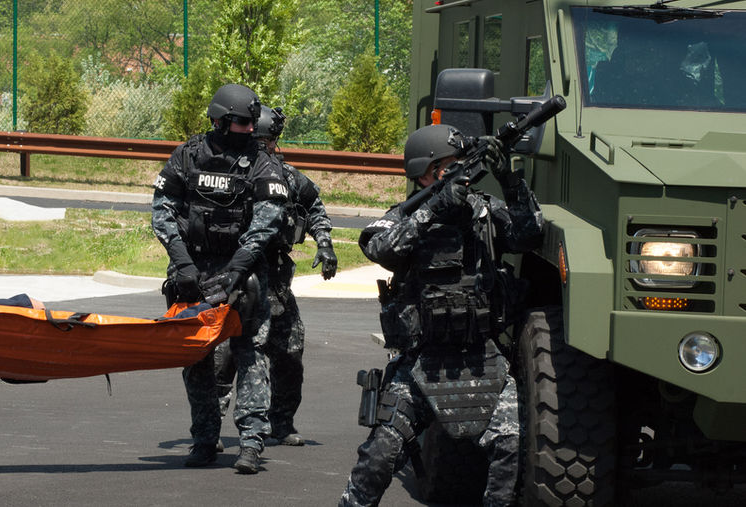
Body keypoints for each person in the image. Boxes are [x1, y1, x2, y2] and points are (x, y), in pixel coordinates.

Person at [339, 124, 544, 506]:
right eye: (450, 166)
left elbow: (528, 234)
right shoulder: (407, 215)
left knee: (508, 449)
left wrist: (508, 180)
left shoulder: (482, 210)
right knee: (380, 455)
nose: (460, 171)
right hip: (422, 363)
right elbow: (379, 246)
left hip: (482, 358)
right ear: (426, 173)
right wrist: (434, 208)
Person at [151, 83, 289, 474]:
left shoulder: (263, 164)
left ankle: (250, 443)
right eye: (242, 122)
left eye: (251, 123)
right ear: (220, 119)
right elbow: (162, 210)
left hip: (243, 274)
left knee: (251, 354)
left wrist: (237, 269)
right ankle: (204, 440)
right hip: (193, 269)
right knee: (196, 359)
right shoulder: (188, 155)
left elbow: (267, 221)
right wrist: (183, 264)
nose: (249, 129)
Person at [213, 105, 337, 447]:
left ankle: (282, 423)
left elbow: (314, 207)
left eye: (271, 142)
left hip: (277, 284)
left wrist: (324, 244)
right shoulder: (232, 175)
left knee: (290, 352)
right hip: (239, 281)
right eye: (262, 141)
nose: (267, 148)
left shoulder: (289, 176)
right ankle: (211, 426)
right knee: (225, 358)